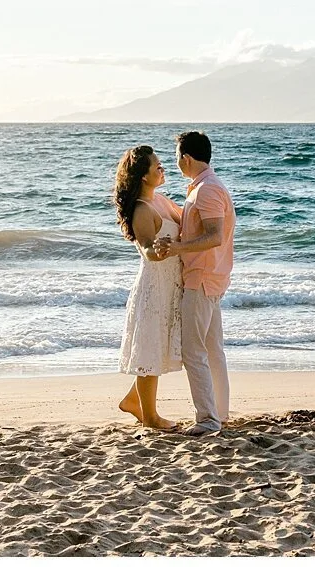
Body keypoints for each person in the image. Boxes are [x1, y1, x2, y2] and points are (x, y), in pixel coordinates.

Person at [154, 130, 236, 437]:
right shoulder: (202, 188)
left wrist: (176, 248)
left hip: (201, 279)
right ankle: (220, 414)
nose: (176, 162)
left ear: (186, 158)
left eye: (176, 156)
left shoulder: (207, 190)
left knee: (194, 352)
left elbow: (213, 236)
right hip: (210, 277)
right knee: (212, 349)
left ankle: (207, 420)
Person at [111, 145, 185, 430]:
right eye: (157, 166)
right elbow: (146, 249)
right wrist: (158, 251)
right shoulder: (143, 209)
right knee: (149, 350)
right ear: (143, 176)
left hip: (170, 284)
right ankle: (150, 417)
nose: (162, 169)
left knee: (157, 349)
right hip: (154, 287)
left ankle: (133, 400)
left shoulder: (162, 200)